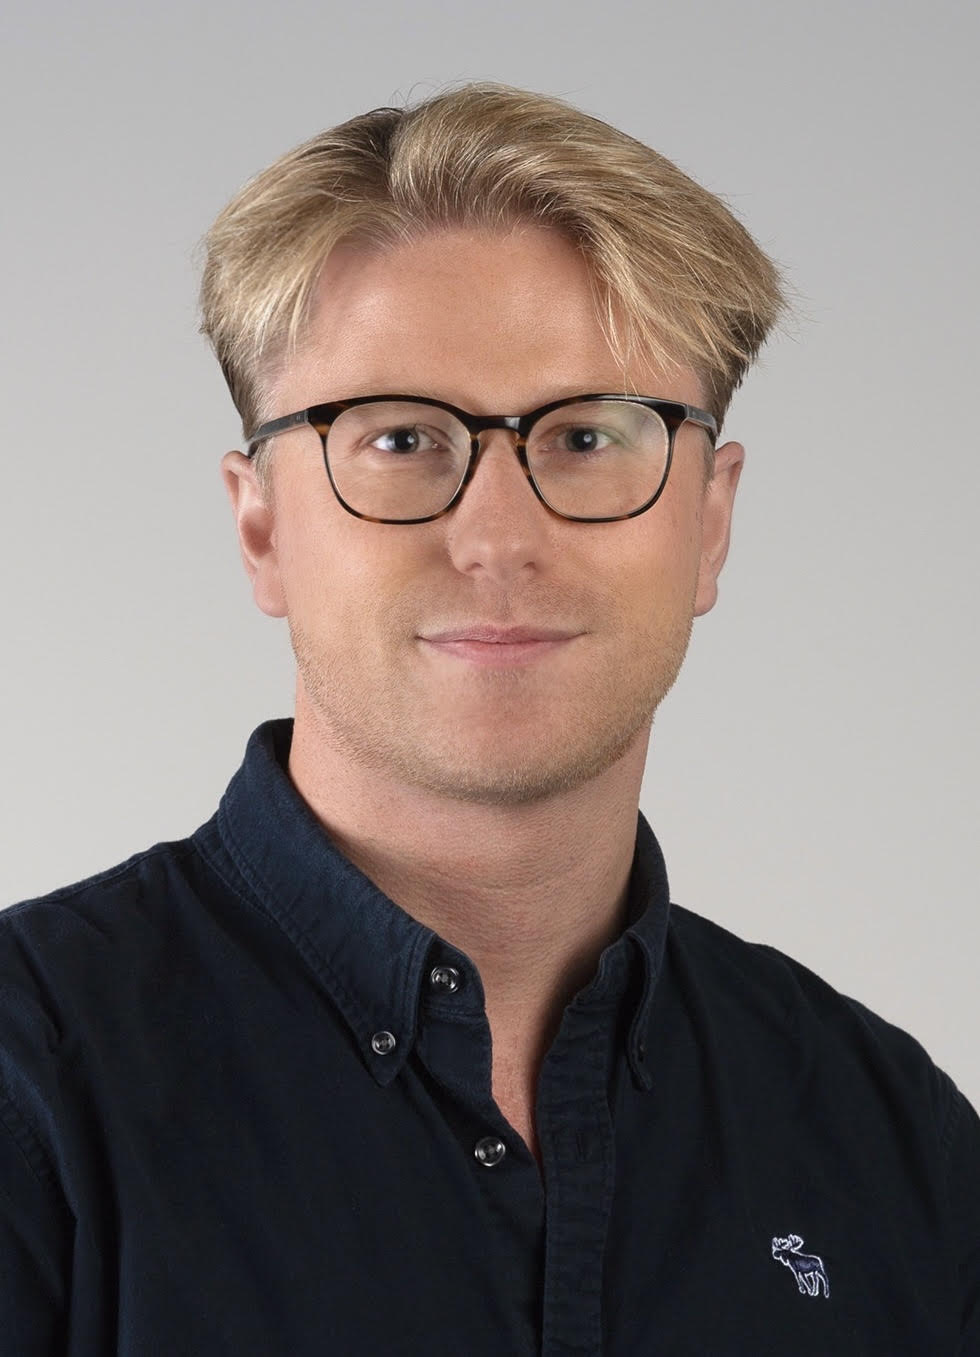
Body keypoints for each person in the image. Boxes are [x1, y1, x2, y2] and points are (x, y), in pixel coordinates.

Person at [1, 81, 977, 1356]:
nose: (498, 537)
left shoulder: (890, 1138)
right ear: (261, 527)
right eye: (401, 439)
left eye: (589, 437)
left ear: (709, 523)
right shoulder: (31, 1084)